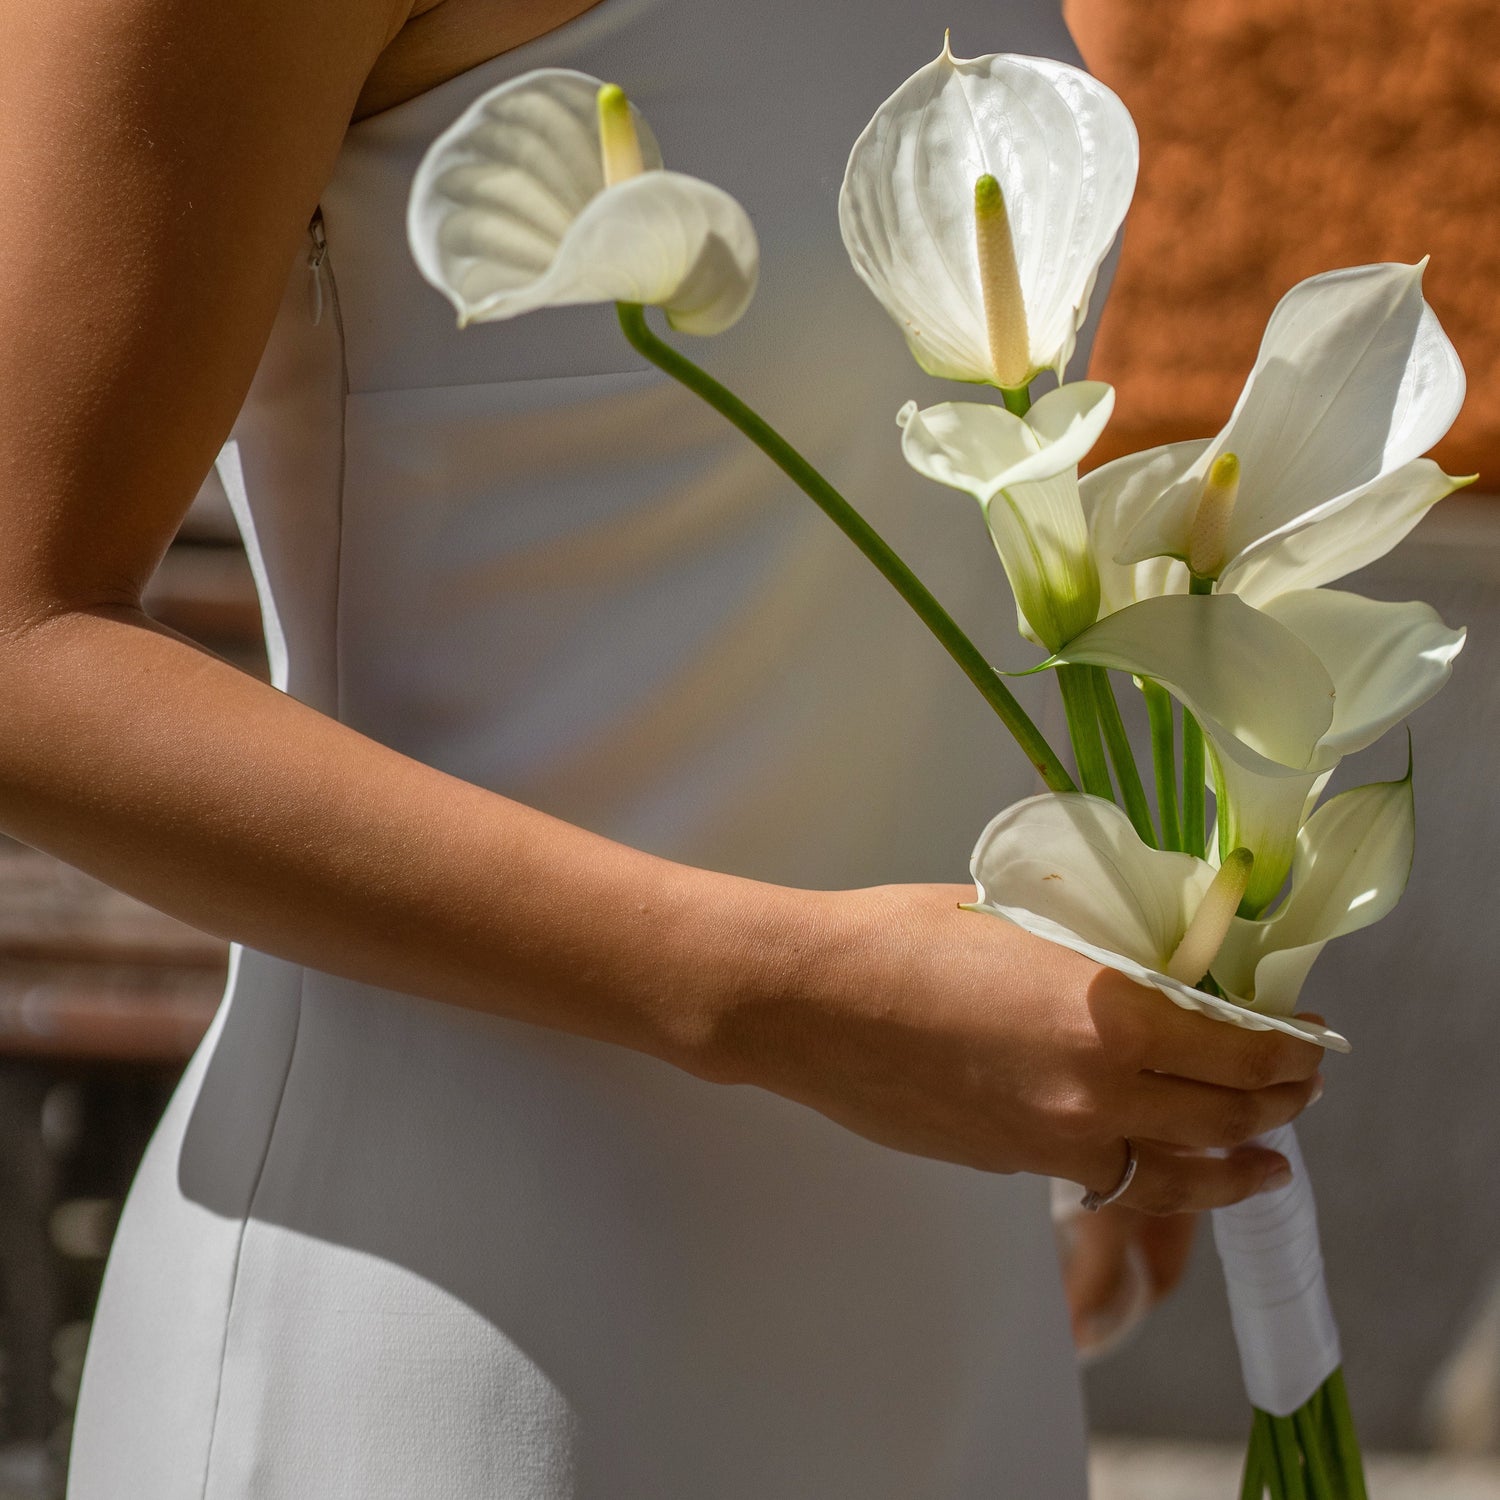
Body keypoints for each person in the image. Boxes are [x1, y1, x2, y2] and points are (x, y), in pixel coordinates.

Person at [0, 0, 1322, 1494]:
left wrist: (1126, 939)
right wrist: (786, 998)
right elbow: (17, 647)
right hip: (466, 1340)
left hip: (946, 1322)